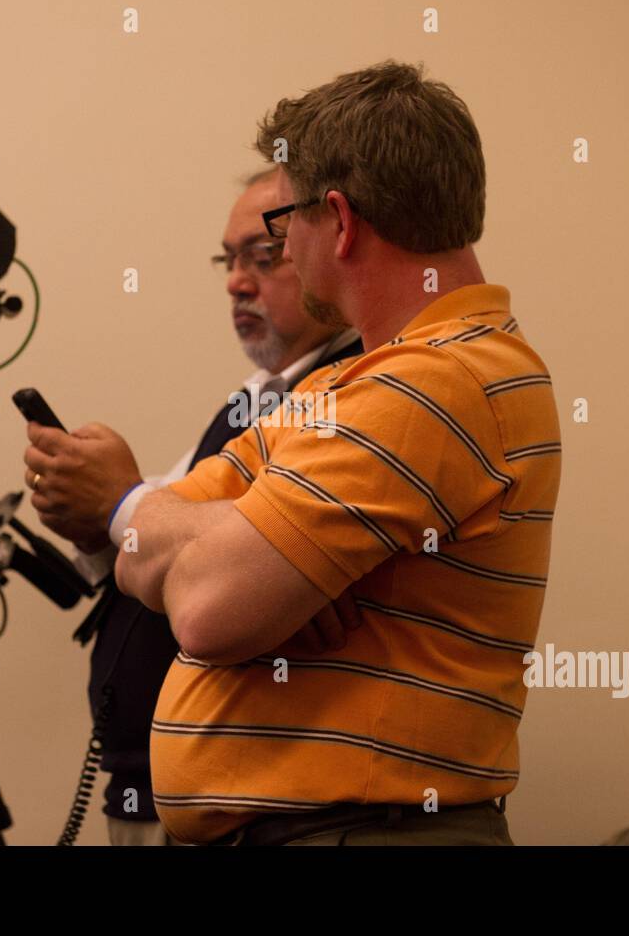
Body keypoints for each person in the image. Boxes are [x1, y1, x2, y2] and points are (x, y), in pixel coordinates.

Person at [30, 60, 561, 845]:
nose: (261, 264)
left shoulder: (434, 382)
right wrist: (236, 547)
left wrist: (175, 528)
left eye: (280, 232)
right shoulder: (354, 383)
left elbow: (206, 610)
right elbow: (145, 560)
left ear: (338, 220)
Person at [27, 166, 360, 845]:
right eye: (228, 260)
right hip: (152, 783)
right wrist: (92, 518)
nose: (238, 282)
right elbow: (158, 539)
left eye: (264, 258)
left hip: (239, 803)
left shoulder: (340, 396)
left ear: (325, 242)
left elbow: (227, 564)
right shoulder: (253, 400)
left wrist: (119, 496)